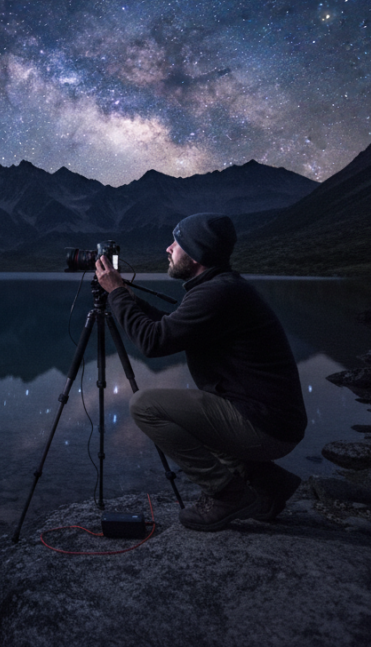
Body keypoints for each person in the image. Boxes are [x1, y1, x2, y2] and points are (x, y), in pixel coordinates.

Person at [94, 212, 307, 531]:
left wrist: (117, 294)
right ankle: (269, 483)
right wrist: (127, 296)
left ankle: (227, 494)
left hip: (264, 425)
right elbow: (171, 327)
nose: (168, 248)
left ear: (196, 252)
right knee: (189, 413)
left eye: (176, 243)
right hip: (271, 420)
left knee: (146, 407)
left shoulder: (217, 293)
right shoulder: (219, 287)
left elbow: (153, 341)